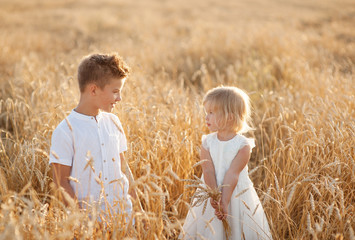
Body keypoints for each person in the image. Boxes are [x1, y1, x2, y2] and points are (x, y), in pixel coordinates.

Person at [49, 53, 141, 223]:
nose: (119, 98)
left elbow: (124, 168)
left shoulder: (114, 121)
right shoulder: (65, 131)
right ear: (93, 90)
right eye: (115, 91)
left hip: (124, 218)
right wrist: (87, 224)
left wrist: (139, 212)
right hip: (91, 223)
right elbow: (60, 183)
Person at [180, 86, 272, 239]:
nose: (206, 117)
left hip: (236, 194)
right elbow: (207, 171)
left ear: (229, 116)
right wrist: (214, 197)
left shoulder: (243, 145)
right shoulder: (207, 142)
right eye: (206, 112)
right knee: (209, 228)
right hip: (211, 190)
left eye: (211, 113)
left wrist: (224, 201)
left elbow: (233, 174)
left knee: (236, 229)